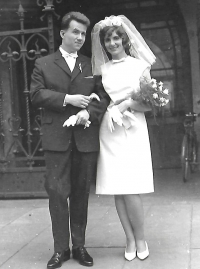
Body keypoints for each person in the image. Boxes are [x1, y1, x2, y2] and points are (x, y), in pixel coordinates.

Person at [30, 12, 110, 269]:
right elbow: (36, 94)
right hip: (57, 139)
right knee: (56, 194)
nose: (79, 37)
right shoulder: (43, 63)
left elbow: (103, 97)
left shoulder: (91, 64)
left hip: (84, 139)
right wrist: (69, 99)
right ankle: (60, 250)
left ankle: (79, 246)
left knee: (80, 194)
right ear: (62, 33)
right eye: (75, 32)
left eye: (83, 34)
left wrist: (88, 111)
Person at [91, 15, 156, 261]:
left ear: (124, 39)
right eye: (108, 39)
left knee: (132, 189)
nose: (112, 43)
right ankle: (128, 238)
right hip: (111, 130)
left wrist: (128, 103)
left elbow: (150, 105)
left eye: (116, 37)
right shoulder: (103, 70)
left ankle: (141, 238)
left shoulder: (140, 67)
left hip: (133, 128)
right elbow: (101, 100)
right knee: (117, 189)